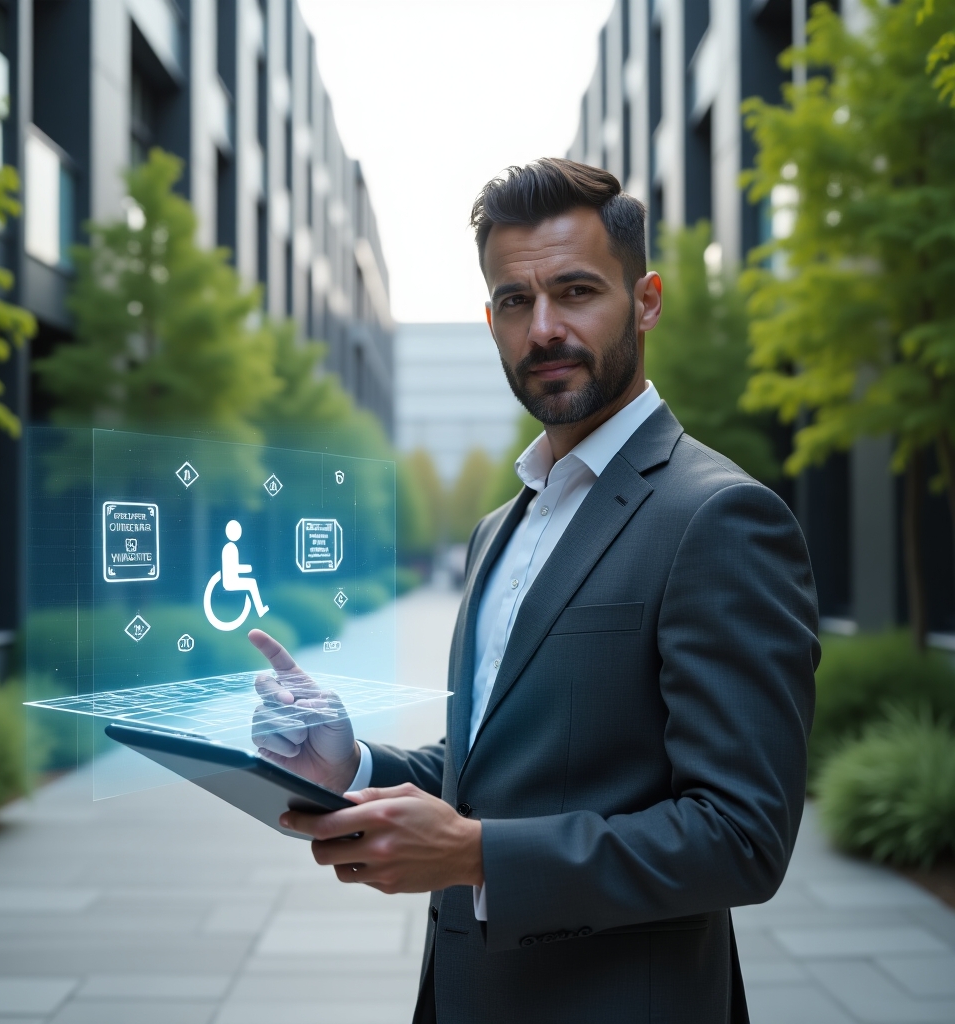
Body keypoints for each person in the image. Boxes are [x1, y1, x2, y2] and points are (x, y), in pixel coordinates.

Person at [249, 158, 818, 1024]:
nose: (543, 328)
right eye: (515, 301)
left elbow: (741, 839)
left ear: (648, 300)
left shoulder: (721, 517)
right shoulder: (500, 528)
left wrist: (480, 858)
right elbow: (500, 769)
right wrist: (350, 764)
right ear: (490, 320)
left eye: (577, 291)